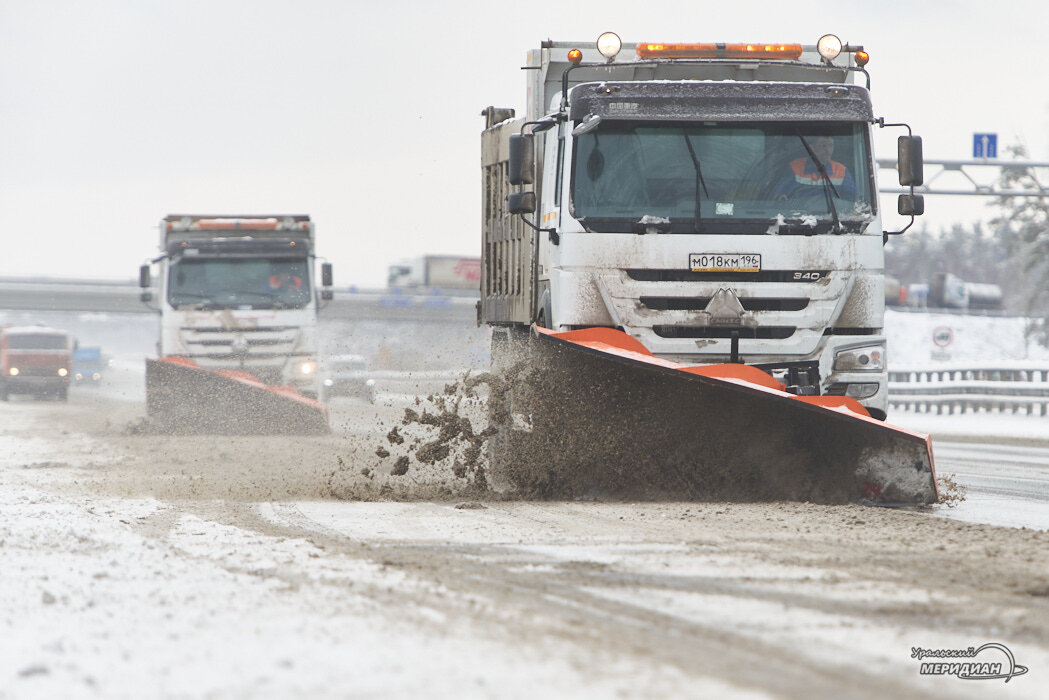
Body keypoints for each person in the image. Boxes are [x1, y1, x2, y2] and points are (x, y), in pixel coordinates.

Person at [773, 136, 856, 201]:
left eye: (831, 145)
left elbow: (853, 199)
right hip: (799, 218)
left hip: (832, 218)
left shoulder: (841, 171)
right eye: (823, 145)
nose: (828, 150)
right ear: (812, 148)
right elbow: (780, 197)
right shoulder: (795, 168)